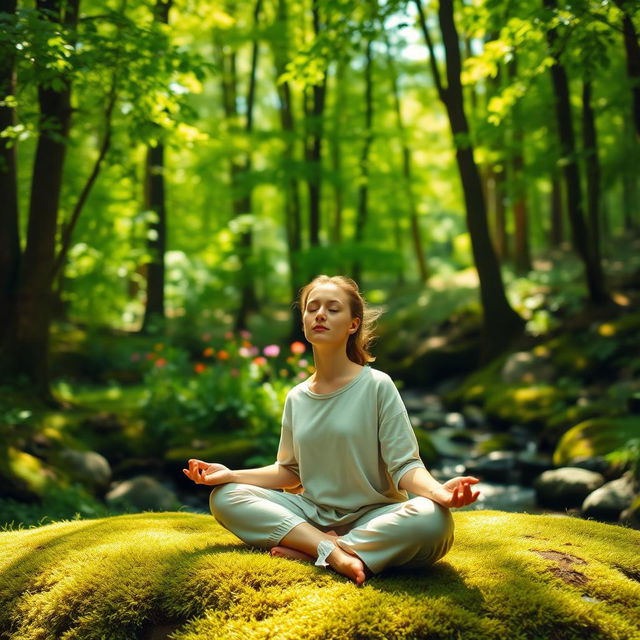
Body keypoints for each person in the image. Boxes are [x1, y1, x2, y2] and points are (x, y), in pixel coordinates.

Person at [183, 275, 480, 585]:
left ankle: (317, 551)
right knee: (225, 497)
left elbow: (405, 465)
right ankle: (330, 550)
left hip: (375, 517)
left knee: (433, 522)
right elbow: (289, 472)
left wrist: (439, 492)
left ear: (353, 324)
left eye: (332, 309)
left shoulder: (377, 385)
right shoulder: (297, 396)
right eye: (312, 308)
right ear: (304, 321)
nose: (320, 315)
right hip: (311, 514)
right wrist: (230, 474)